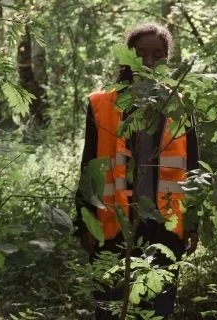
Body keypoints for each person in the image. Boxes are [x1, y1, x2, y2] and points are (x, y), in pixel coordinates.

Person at [76, 22, 200, 320]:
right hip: (112, 227)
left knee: (158, 310)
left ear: (166, 58)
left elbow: (193, 168)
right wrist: (82, 222)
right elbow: (88, 166)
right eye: (141, 53)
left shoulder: (180, 104)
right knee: (110, 307)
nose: (148, 61)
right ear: (127, 57)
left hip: (164, 229)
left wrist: (193, 223)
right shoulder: (102, 103)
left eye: (157, 54)